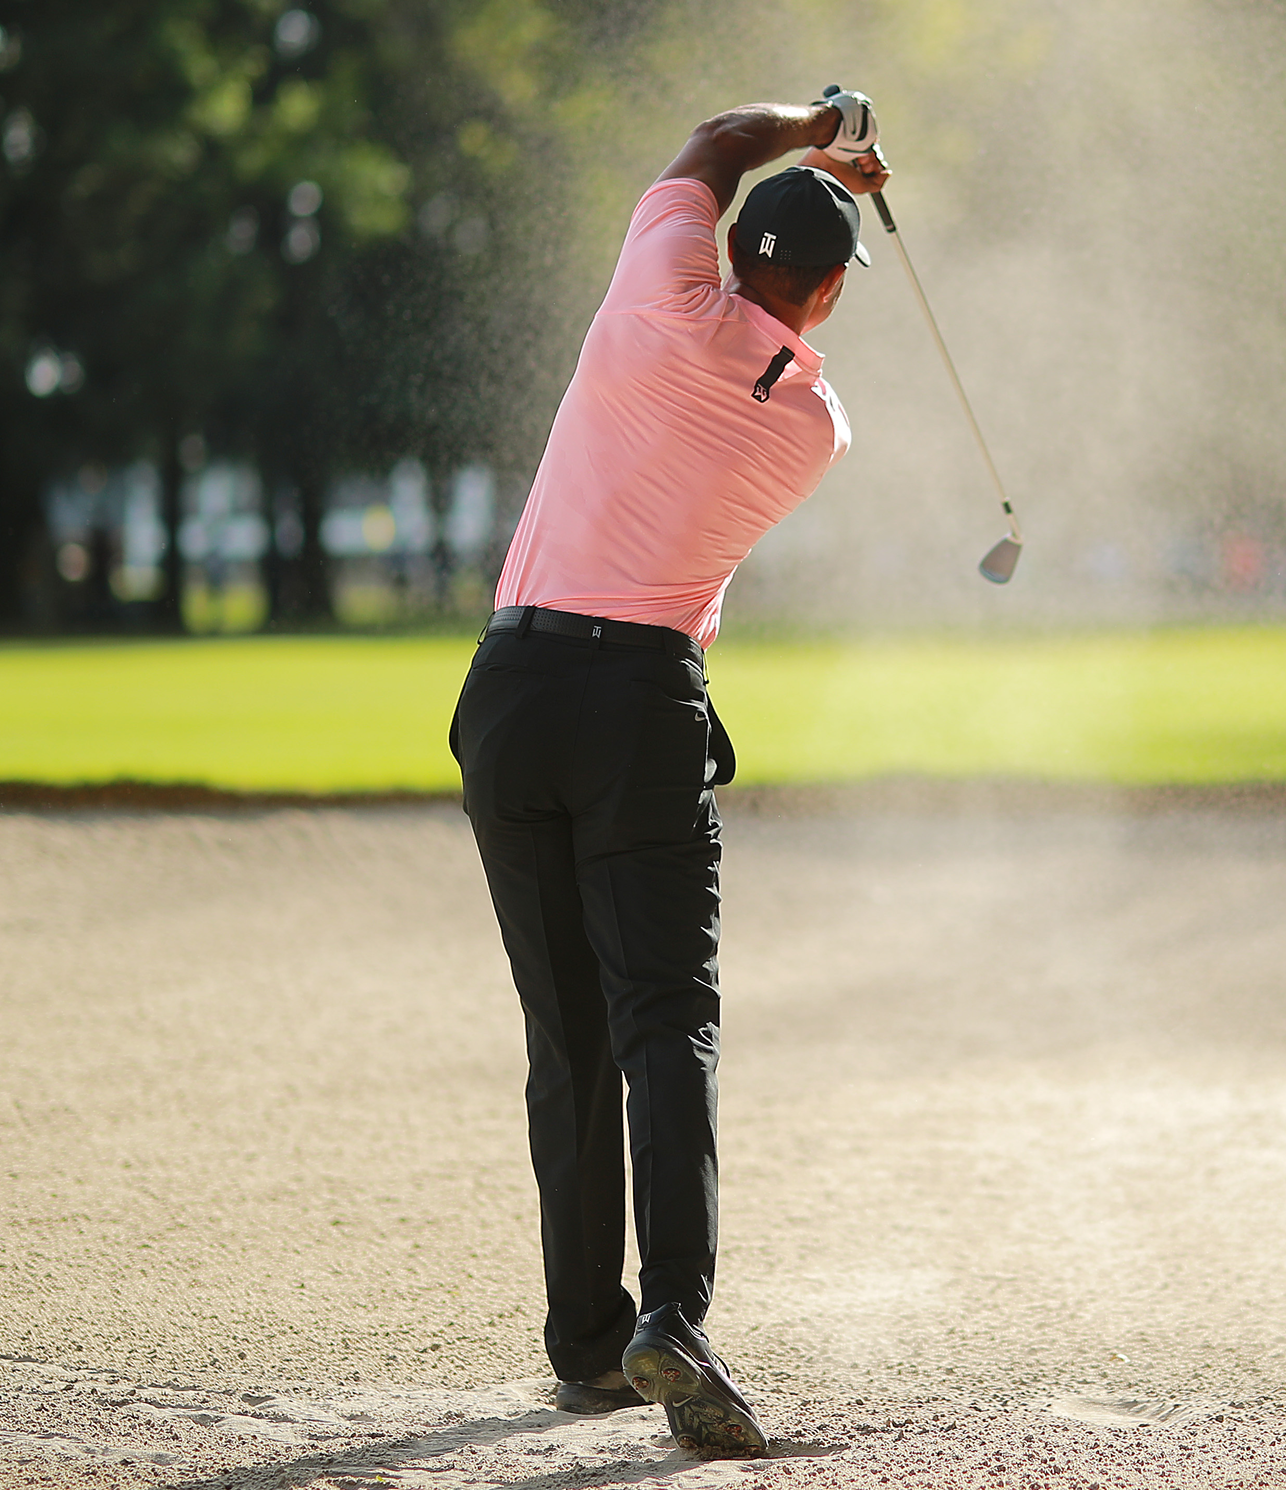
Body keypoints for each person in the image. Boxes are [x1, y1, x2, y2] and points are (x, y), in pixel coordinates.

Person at [448, 89, 887, 1459]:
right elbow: (770, 349)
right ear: (816, 296)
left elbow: (706, 142)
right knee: (663, 1020)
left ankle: (585, 1337)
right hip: (639, 702)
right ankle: (672, 1321)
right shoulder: (812, 427)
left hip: (508, 693)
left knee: (565, 1030)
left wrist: (818, 125)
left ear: (725, 244)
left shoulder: (652, 283)